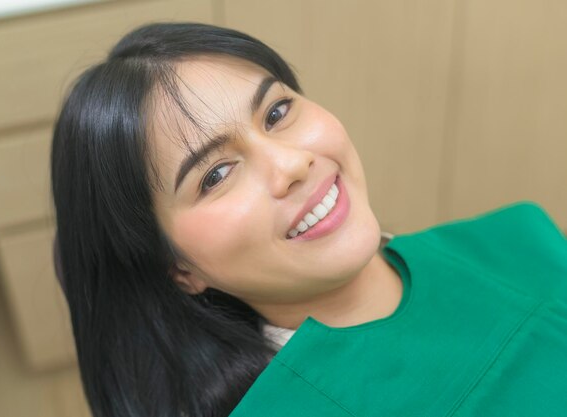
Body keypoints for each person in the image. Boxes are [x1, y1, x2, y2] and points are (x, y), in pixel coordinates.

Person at [50, 22, 567, 417]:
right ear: (179, 268)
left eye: (276, 113)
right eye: (216, 174)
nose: (292, 163)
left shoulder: (521, 237)